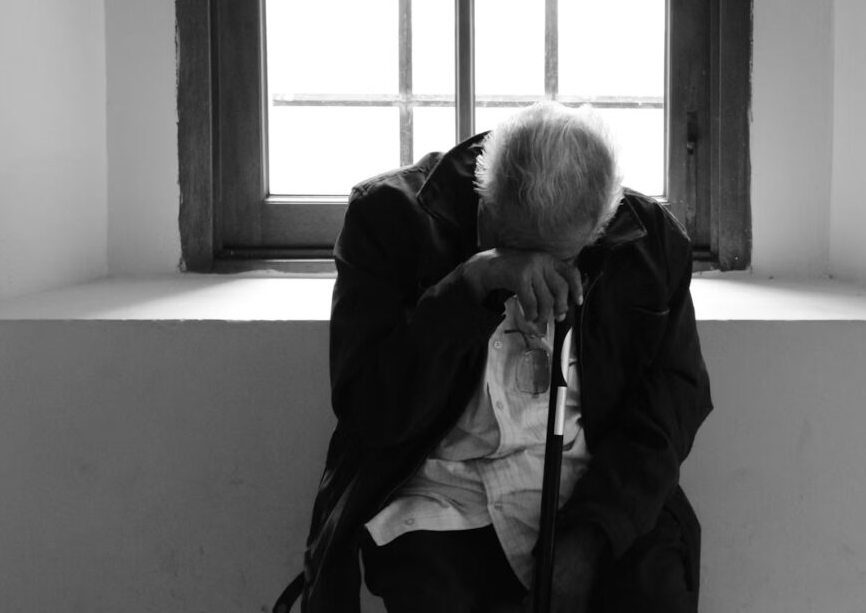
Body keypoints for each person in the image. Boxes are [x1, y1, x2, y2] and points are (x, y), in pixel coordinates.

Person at [298, 102, 712, 613]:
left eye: (560, 257)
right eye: (517, 247)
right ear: (484, 192)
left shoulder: (650, 240)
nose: (536, 276)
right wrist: (470, 285)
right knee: (430, 588)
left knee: (653, 589)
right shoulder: (388, 217)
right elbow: (370, 412)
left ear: (600, 225)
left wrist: (593, 533)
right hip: (443, 485)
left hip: (594, 479)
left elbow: (672, 406)